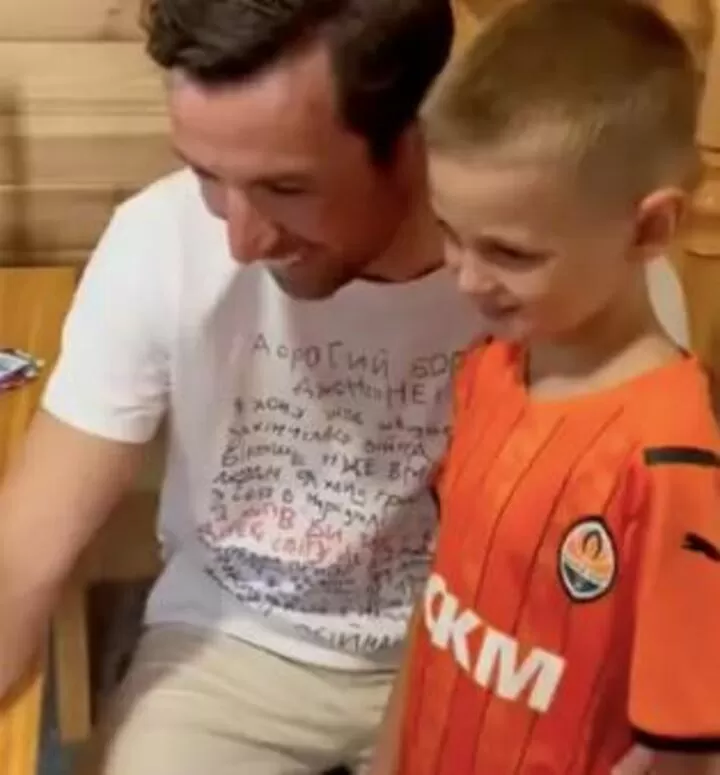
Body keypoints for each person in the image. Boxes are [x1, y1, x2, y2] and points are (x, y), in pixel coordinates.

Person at [0, 1, 690, 774]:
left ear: (414, 143)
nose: (241, 239)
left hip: (484, 656)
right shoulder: (157, 241)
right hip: (231, 649)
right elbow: (27, 548)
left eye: (287, 187)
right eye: (206, 175)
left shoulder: (589, 288)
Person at [369, 1, 720, 774]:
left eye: (511, 253)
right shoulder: (489, 368)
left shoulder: (673, 460)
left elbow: (681, 753)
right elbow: (442, 607)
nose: (466, 278)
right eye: (451, 233)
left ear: (649, 230)